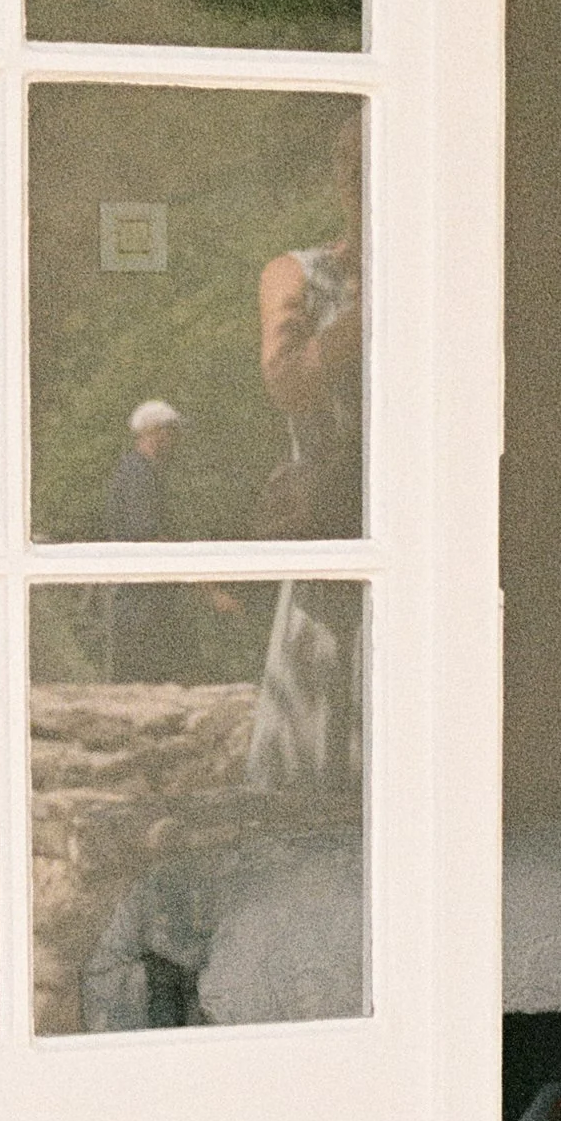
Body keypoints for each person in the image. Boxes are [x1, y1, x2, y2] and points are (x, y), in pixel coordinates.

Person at [247, 108, 364, 798]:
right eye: (348, 164)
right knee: (311, 760)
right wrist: (378, 304)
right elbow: (289, 382)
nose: (358, 179)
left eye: (371, 163)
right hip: (335, 532)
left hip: (428, 528)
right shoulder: (298, 274)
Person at [104, 399, 185, 681]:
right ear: (153, 432)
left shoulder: (141, 472)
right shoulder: (138, 473)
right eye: (170, 430)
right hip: (141, 603)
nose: (175, 438)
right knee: (146, 680)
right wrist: (204, 584)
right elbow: (148, 532)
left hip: (144, 599)